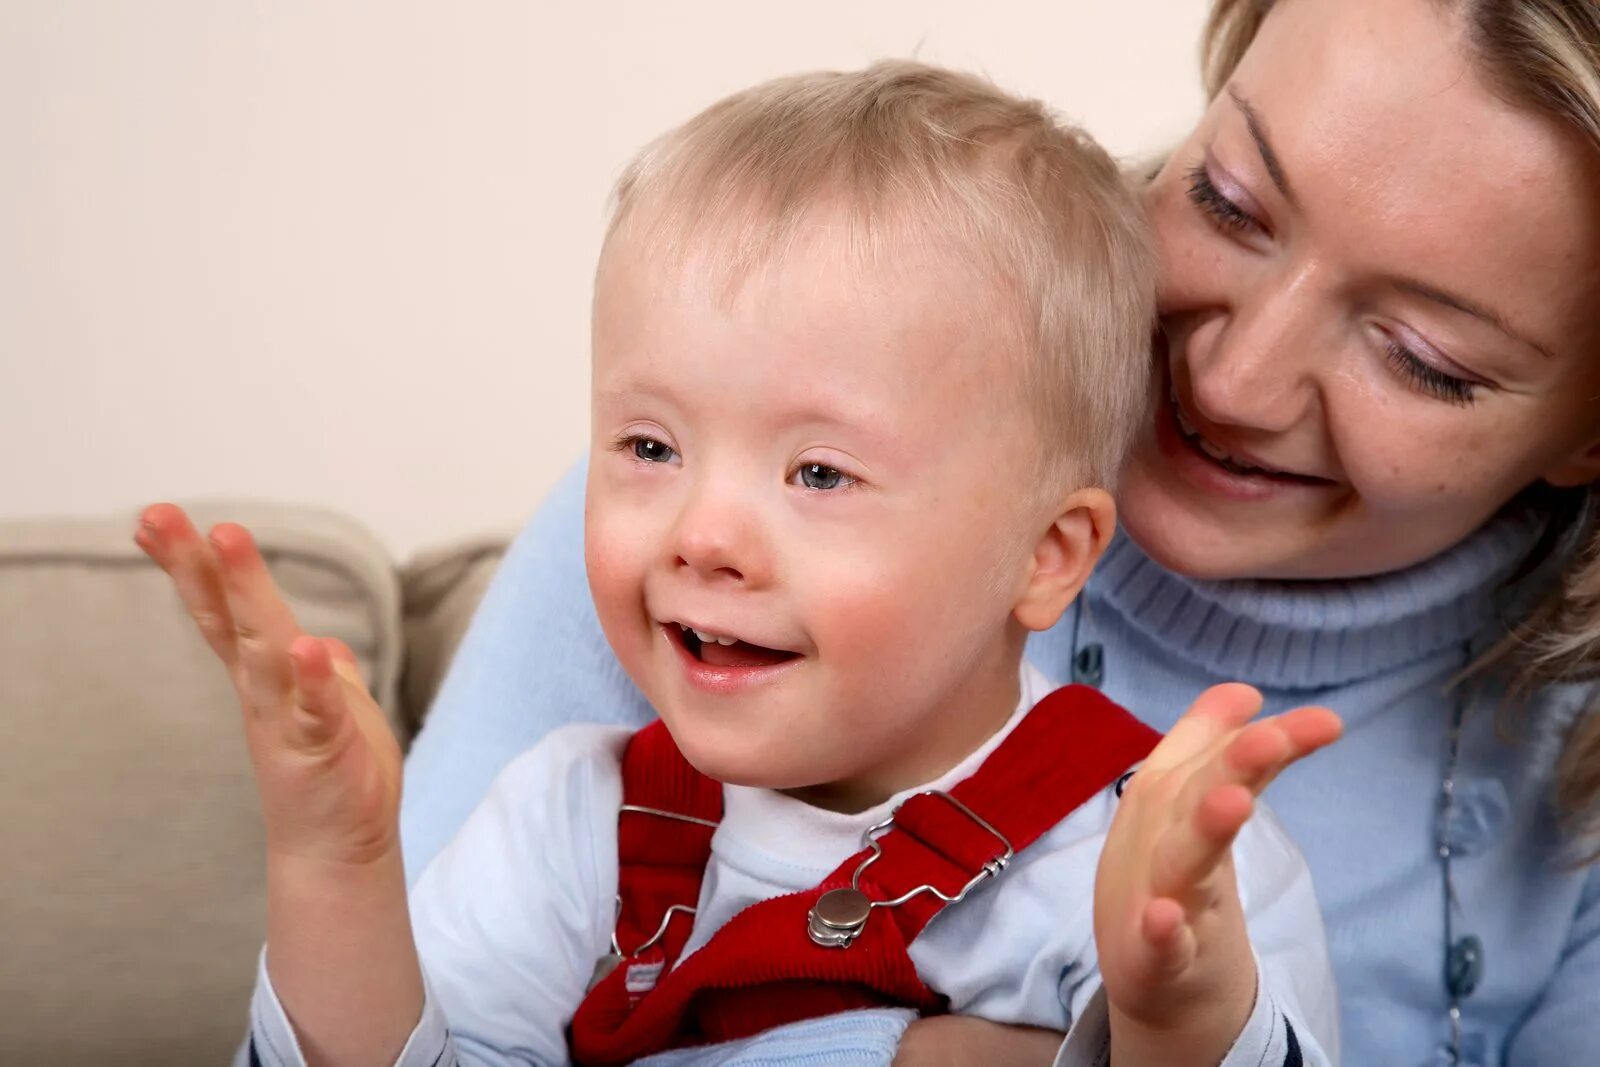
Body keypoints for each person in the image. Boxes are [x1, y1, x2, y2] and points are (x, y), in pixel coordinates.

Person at [387, 1, 1600, 1065]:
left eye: (1421, 358)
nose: (1233, 378)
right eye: (1227, 201)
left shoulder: (1564, 760)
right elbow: (417, 1031)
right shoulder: (709, 528)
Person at [138, 62, 1342, 1067]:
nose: (700, 534)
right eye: (650, 445)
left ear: (1045, 554)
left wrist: (1173, 1006)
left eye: (818, 474)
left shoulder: (1145, 857)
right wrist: (334, 860)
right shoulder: (575, 823)